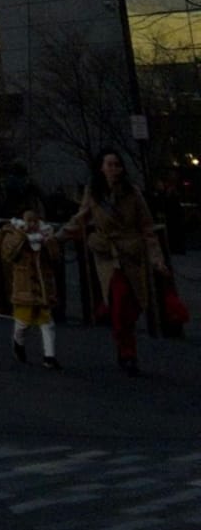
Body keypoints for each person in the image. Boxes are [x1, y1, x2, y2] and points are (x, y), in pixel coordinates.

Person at [65, 150, 170, 374]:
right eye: (109, 165)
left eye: (117, 165)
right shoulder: (93, 193)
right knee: (120, 299)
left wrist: (157, 259)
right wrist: (56, 237)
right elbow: (81, 218)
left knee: (134, 305)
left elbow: (147, 228)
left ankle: (111, 316)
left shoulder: (133, 194)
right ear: (101, 168)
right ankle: (127, 351)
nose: (114, 169)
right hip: (107, 255)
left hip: (130, 252)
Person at [0, 204, 59, 368]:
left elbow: (55, 257)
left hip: (43, 287)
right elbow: (8, 254)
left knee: (47, 322)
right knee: (23, 323)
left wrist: (50, 242)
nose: (32, 224)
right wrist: (20, 236)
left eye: (35, 220)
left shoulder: (46, 234)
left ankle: (50, 357)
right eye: (29, 220)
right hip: (24, 287)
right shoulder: (14, 234)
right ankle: (18, 341)